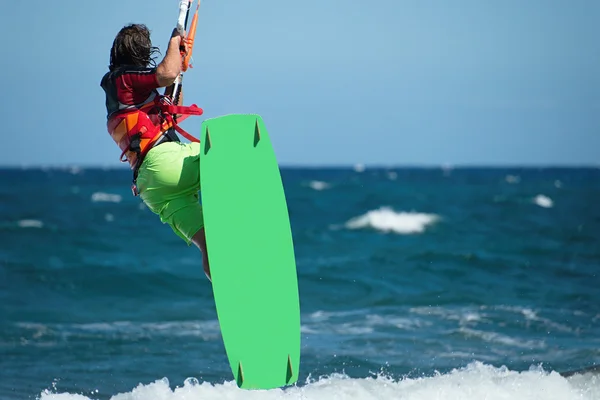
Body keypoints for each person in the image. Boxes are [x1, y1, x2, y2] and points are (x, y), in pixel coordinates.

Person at [100, 23, 211, 281]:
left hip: (154, 189)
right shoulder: (121, 79)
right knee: (224, 152)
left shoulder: (125, 96)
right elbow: (166, 73)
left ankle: (229, 290)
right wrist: (175, 41)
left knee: (210, 244)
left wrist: (181, 62)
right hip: (164, 163)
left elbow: (172, 101)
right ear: (142, 52)